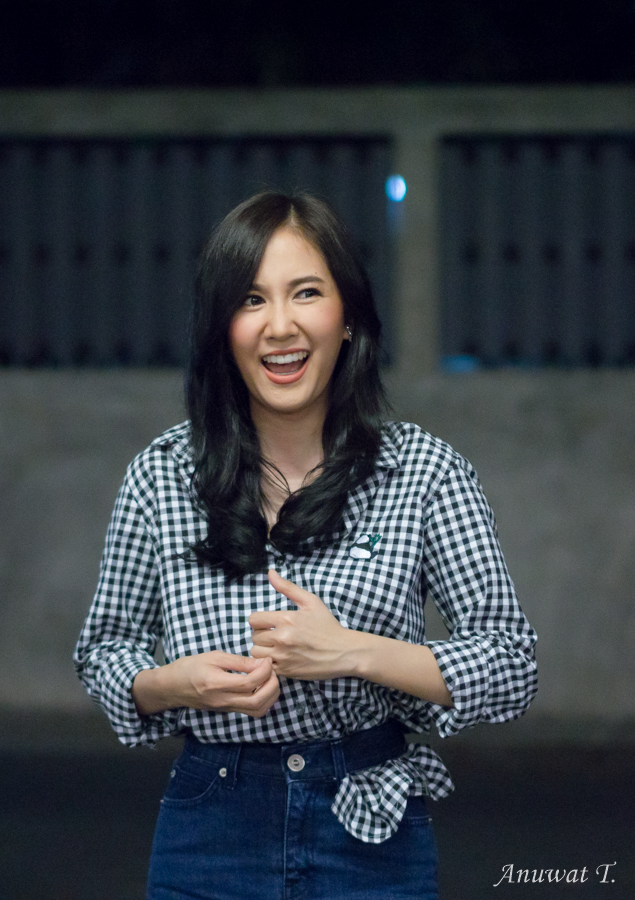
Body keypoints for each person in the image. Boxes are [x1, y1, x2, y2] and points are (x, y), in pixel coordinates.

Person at [74, 191, 537, 900]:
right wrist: (170, 684)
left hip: (371, 829)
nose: (280, 326)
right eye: (251, 300)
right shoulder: (161, 475)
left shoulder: (423, 472)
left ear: (347, 317)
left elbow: (510, 663)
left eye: (306, 293)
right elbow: (104, 650)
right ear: (222, 328)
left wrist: (352, 652)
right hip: (209, 829)